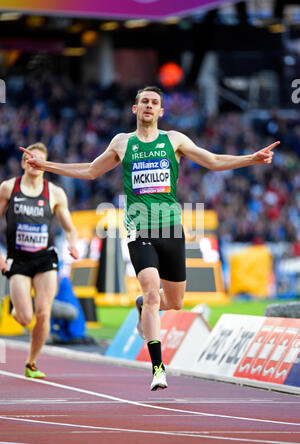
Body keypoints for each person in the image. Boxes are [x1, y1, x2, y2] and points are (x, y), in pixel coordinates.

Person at [22, 86, 280, 390]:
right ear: (135, 109)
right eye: (144, 101)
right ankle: (158, 368)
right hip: (139, 229)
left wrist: (252, 158)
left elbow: (212, 160)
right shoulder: (122, 142)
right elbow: (91, 171)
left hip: (171, 229)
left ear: (161, 111)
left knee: (175, 301)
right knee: (155, 293)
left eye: (154, 102)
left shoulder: (174, 140)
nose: (148, 105)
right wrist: (46, 166)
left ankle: (144, 305)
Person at [0, 142, 79, 378]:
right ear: (24, 163)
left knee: (44, 312)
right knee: (25, 317)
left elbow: (70, 228)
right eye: (30, 158)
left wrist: (73, 243)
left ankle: (31, 363)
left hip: (45, 258)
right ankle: (17, 309)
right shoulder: (8, 188)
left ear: (44, 165)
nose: (34, 162)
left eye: (39, 159)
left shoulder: (54, 193)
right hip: (18, 260)